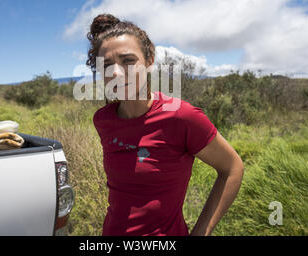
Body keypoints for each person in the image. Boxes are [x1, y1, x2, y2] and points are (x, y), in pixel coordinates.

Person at [87, 13, 244, 236]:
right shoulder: (103, 120)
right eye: (106, 64)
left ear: (149, 61)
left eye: (128, 61)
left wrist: (201, 232)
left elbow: (232, 168)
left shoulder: (181, 117)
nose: (115, 72)